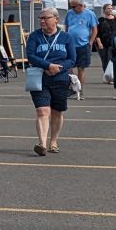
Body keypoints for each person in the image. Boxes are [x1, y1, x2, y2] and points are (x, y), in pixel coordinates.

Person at [26, 8, 76, 156]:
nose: (42, 21)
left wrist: (58, 69)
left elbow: (72, 59)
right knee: (42, 111)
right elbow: (30, 56)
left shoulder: (66, 37)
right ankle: (41, 143)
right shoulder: (35, 36)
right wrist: (47, 65)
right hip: (40, 78)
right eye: (40, 18)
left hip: (60, 79)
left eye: (45, 18)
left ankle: (53, 141)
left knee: (56, 112)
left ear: (56, 19)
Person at [63, 0, 98, 98]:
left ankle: (80, 90)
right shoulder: (69, 13)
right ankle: (73, 86)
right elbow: (67, 27)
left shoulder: (89, 14)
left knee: (81, 68)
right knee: (68, 67)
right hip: (70, 44)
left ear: (80, 5)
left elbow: (94, 29)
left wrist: (91, 41)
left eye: (74, 6)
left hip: (83, 44)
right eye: (71, 7)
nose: (72, 8)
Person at [94, 7, 116, 83]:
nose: (110, 9)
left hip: (113, 43)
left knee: (110, 59)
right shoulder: (100, 20)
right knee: (104, 61)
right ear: (104, 10)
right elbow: (97, 33)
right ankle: (106, 76)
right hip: (102, 43)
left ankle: (111, 77)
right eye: (108, 8)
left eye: (111, 8)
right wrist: (99, 43)